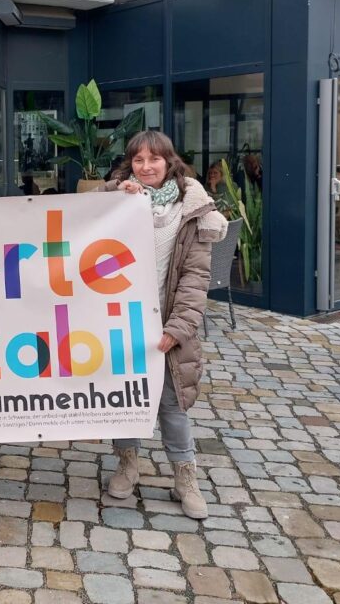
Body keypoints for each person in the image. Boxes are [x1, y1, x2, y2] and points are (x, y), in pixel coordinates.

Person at [96, 131, 227, 520]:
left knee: (171, 404)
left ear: (170, 161)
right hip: (121, 320)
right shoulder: (122, 199)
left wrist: (178, 329)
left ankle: (185, 477)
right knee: (124, 398)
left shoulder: (193, 210)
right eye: (138, 160)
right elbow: (81, 211)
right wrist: (118, 189)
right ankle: (127, 464)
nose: (146, 166)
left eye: (154, 159)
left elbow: (194, 279)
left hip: (167, 323)